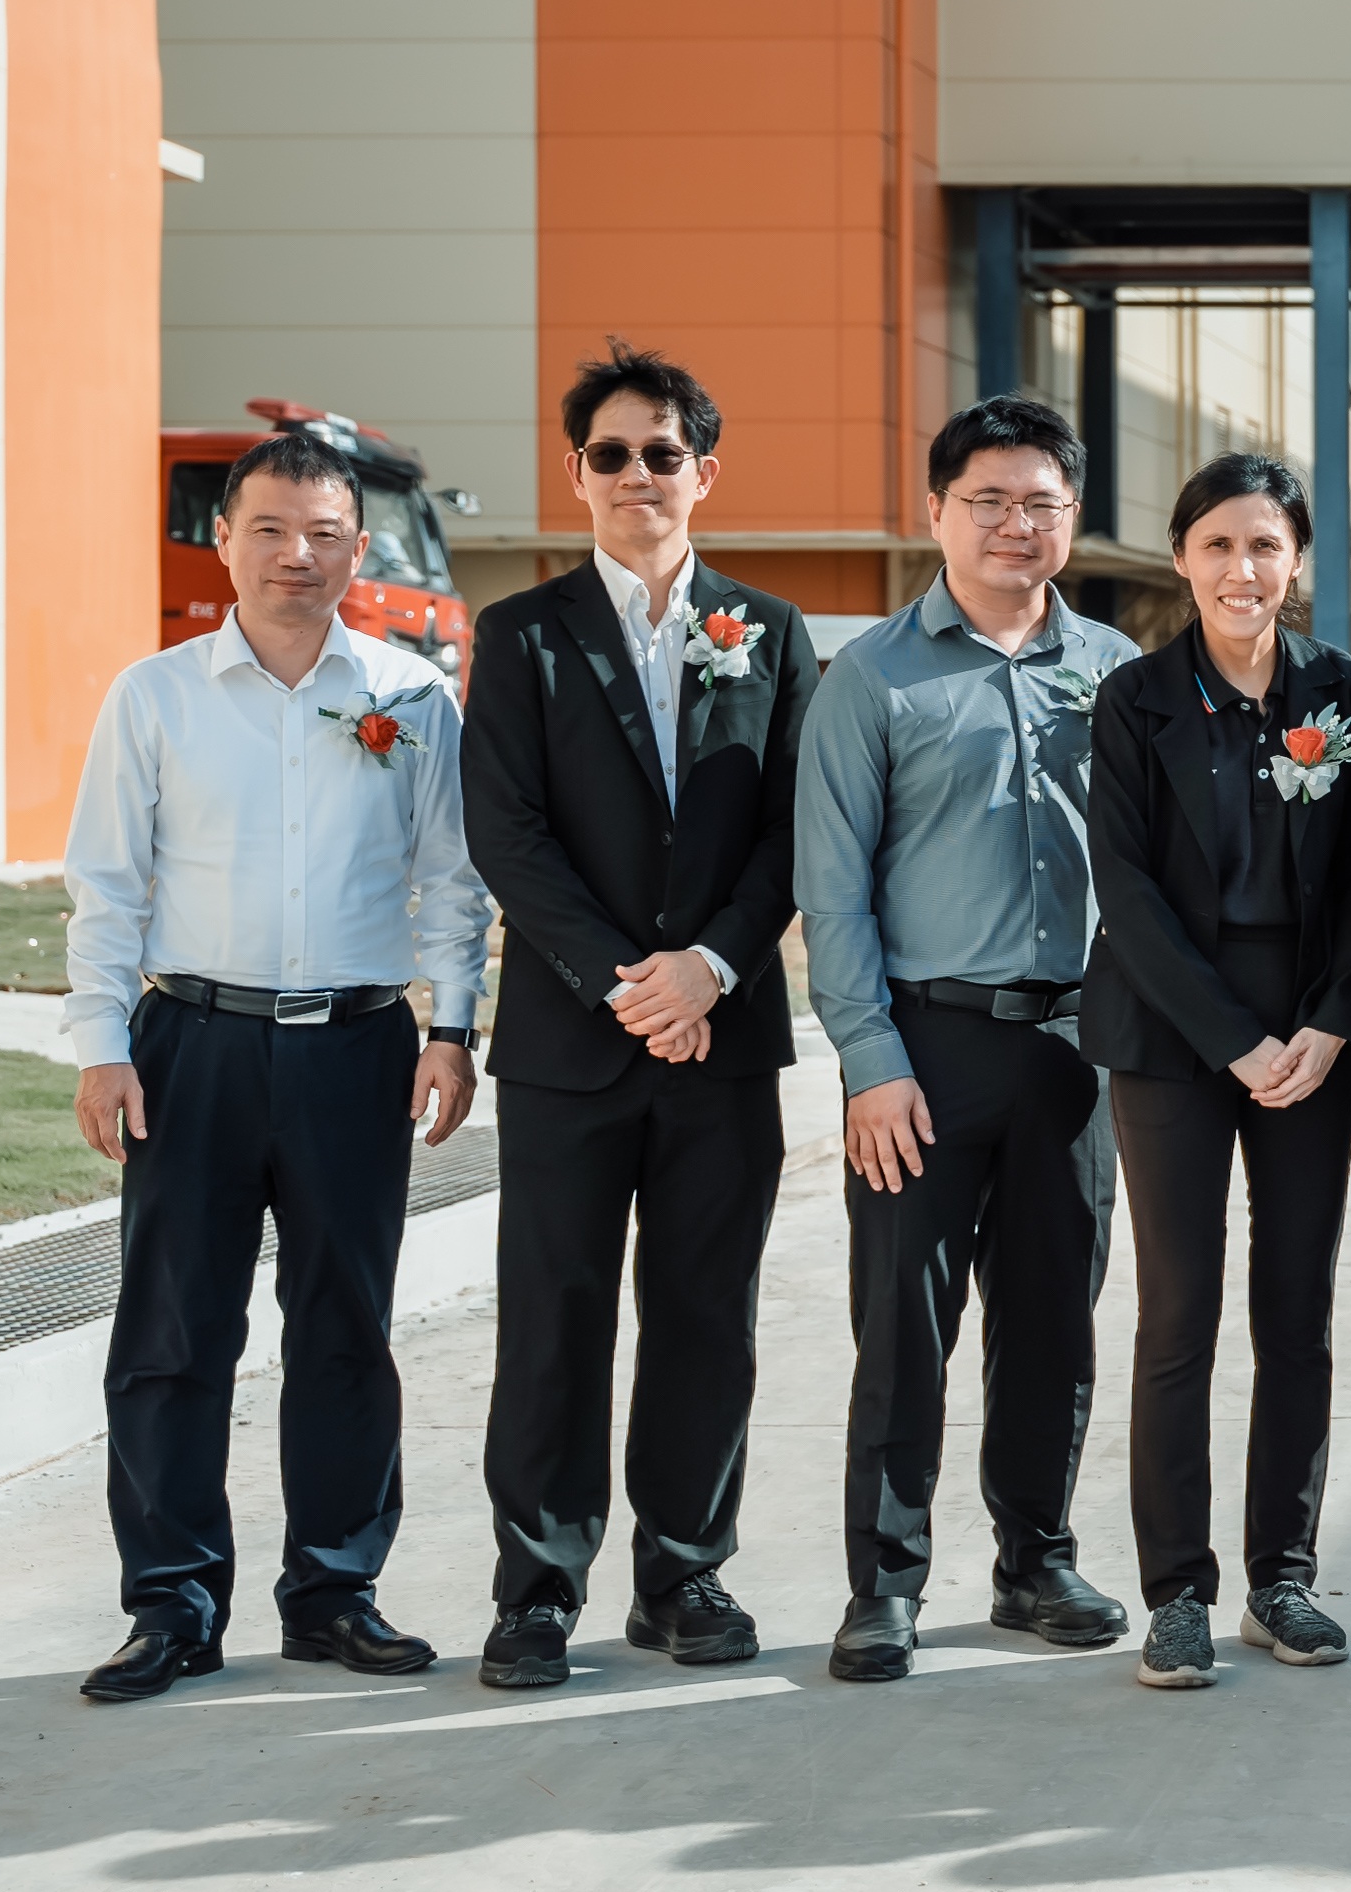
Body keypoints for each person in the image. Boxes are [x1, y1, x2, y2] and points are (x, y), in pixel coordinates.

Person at [57, 429, 490, 1702]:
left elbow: (452, 880)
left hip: (358, 1048)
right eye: (270, 529)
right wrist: (101, 1047)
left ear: (357, 549)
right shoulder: (155, 695)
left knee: (346, 1329)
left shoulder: (412, 694)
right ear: (225, 539)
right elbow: (107, 885)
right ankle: (173, 1605)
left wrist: (453, 1030)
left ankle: (335, 1592)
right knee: (172, 1332)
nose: (297, 554)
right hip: (189, 1046)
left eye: (324, 534)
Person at [458, 342, 819, 1691]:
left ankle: (684, 1575)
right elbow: (508, 833)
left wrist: (711, 966)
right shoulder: (522, 634)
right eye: (609, 454)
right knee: (553, 1318)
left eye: (661, 452)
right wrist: (629, 981)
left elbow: (796, 825)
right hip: (572, 1045)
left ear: (702, 473)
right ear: (577, 474)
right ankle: (536, 1591)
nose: (635, 475)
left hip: (721, 1040)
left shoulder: (770, 631)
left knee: (705, 1314)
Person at [798, 394, 1141, 1682]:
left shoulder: (1116, 671)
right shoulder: (873, 677)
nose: (1014, 524)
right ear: (936, 510)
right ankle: (884, 1583)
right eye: (986, 499)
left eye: (1040, 502)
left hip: (1075, 1051)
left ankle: (1035, 1561)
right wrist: (871, 1064)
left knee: (1054, 1323)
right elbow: (831, 892)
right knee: (904, 1328)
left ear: (1071, 518)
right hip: (926, 1053)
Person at [1084, 454, 1351, 1690]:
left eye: (1265, 545)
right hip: (1174, 1037)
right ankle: (1176, 1591)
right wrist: (1232, 1039)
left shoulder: (1339, 688)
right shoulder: (1135, 698)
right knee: (1178, 1313)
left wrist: (1332, 1022)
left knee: (1297, 1312)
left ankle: (1283, 1576)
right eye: (1217, 544)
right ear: (1181, 559)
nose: (1241, 568)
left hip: (1310, 1039)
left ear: (1296, 559)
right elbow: (1127, 891)